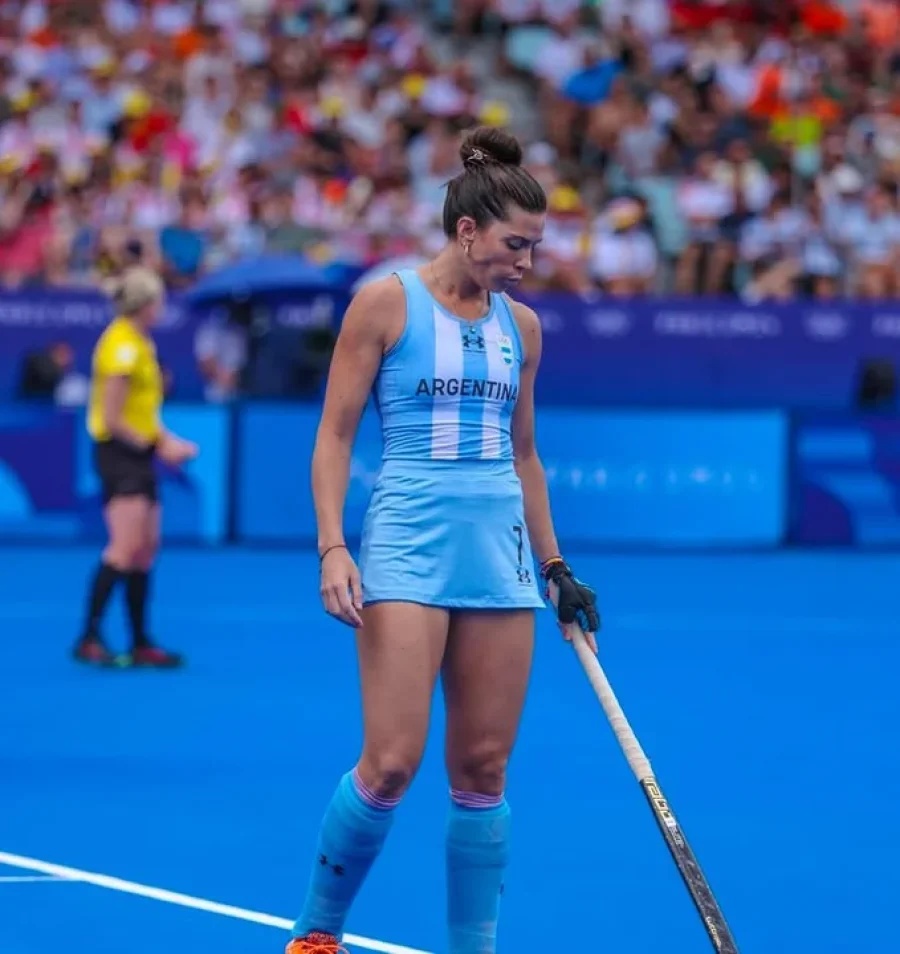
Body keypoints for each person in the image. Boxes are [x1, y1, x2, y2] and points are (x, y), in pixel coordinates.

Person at [287, 127, 600, 954]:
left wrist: (556, 565)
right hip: (408, 544)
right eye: (514, 244)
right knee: (391, 762)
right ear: (467, 232)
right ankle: (317, 932)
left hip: (497, 554)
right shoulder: (385, 303)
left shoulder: (523, 328)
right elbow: (333, 436)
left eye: (534, 247)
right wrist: (332, 546)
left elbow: (524, 453)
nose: (526, 262)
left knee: (484, 772)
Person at [72, 266, 198, 669]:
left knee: (145, 550)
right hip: (119, 455)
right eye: (159, 299)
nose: (163, 306)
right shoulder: (122, 347)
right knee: (124, 548)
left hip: (138, 454)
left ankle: (141, 642)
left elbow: (141, 413)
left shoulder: (140, 344)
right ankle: (88, 637)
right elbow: (112, 418)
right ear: (145, 304)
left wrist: (165, 441)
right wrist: (160, 446)